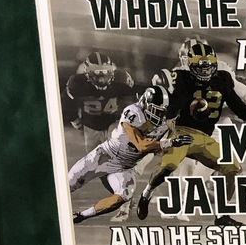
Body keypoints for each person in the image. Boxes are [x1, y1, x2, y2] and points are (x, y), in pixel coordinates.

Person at [135, 41, 246, 227]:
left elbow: (239, 93)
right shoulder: (179, 76)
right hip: (187, 128)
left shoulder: (222, 73)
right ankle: (150, 194)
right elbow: (168, 103)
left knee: (230, 168)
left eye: (208, 66)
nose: (205, 71)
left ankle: (214, 212)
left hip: (217, 124)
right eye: (199, 67)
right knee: (176, 166)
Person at [69, 85, 192, 223]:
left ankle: (81, 216)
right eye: (155, 110)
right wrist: (170, 142)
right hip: (105, 156)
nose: (158, 115)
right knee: (70, 183)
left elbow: (167, 142)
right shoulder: (133, 112)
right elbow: (141, 145)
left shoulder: (165, 121)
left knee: (124, 195)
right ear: (145, 104)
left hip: (125, 167)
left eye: (161, 112)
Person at [66, 51, 136, 153]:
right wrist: (74, 119)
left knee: (116, 154)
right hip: (91, 125)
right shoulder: (78, 83)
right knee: (94, 157)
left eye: (106, 71)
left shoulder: (121, 79)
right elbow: (67, 102)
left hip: (114, 121)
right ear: (86, 73)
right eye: (97, 72)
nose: (102, 78)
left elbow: (133, 98)